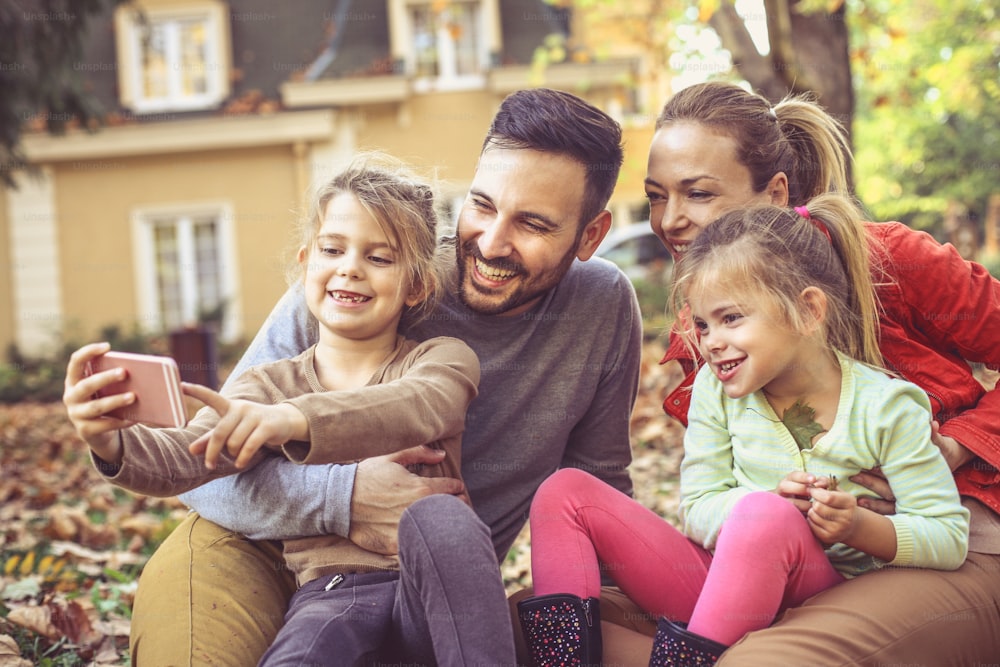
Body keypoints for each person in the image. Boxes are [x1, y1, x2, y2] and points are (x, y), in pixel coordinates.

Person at [122, 88, 643, 665]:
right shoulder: (355, 280)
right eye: (481, 204)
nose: (493, 243)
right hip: (265, 550)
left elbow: (598, 486)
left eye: (534, 224)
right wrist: (341, 498)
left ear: (590, 236)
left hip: (433, 588)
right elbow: (204, 469)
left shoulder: (599, 308)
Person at [587, 80, 1000, 665]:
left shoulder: (888, 260)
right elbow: (725, 496)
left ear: (776, 193)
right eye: (656, 197)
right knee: (533, 623)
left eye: (698, 194)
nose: (669, 221)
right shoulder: (707, 333)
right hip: (800, 559)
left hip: (947, 546)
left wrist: (960, 444)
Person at [62, 156, 519, 665]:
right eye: (333, 249)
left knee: (443, 520)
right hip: (332, 598)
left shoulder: (441, 360)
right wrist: (109, 441)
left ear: (417, 285)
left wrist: (295, 420)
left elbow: (419, 406)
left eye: (380, 258)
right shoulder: (265, 386)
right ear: (306, 262)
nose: (350, 267)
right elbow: (187, 457)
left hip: (433, 603)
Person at [516, 194, 971, 666]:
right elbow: (698, 508)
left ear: (808, 311)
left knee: (764, 518)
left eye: (731, 318)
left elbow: (947, 536)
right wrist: (763, 503)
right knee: (563, 491)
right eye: (702, 324)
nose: (711, 343)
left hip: (821, 601)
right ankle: (566, 659)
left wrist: (858, 526)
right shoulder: (714, 390)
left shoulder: (886, 408)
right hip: (719, 589)